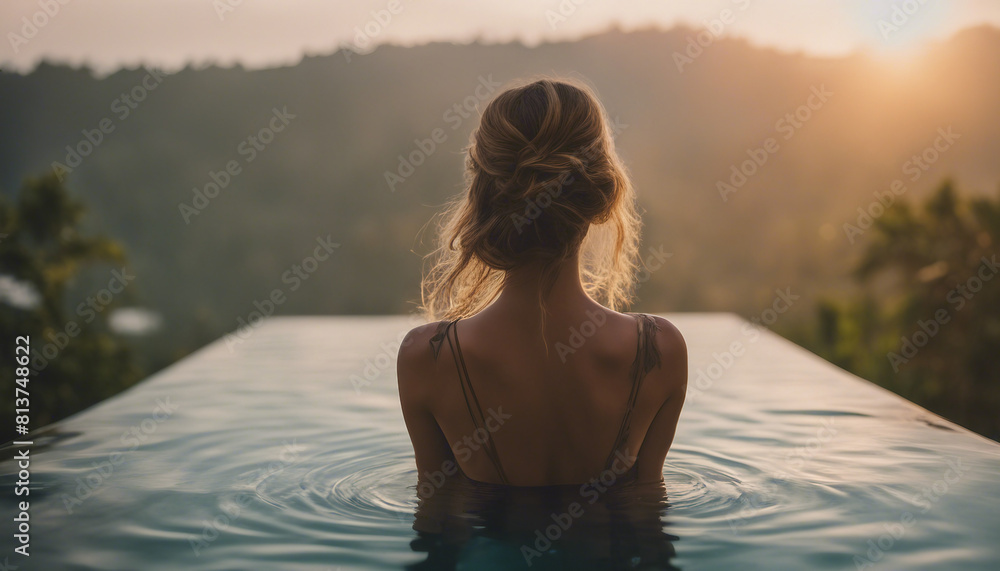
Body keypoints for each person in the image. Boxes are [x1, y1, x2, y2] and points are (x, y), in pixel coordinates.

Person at [397, 77, 687, 491]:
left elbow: (436, 520)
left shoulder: (425, 358)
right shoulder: (659, 350)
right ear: (600, 195)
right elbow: (647, 513)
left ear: (483, 196)